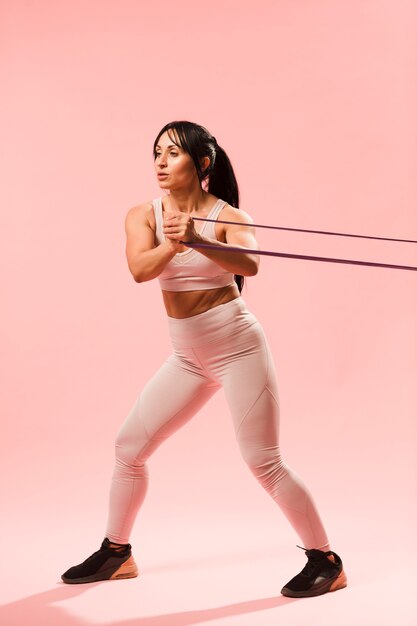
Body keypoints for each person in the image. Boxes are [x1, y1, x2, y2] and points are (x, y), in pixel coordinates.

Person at [61, 121, 347, 598]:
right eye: (156, 152)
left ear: (203, 163)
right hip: (187, 356)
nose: (159, 161)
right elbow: (138, 270)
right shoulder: (143, 215)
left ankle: (326, 561)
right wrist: (174, 242)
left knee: (264, 462)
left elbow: (249, 265)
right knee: (129, 448)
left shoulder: (229, 215)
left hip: (237, 347)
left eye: (172, 153)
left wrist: (199, 238)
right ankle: (117, 553)